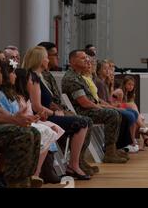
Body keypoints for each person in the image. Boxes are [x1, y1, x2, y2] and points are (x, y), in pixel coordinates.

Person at [22, 46, 91, 180]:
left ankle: (74, 163)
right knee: (82, 123)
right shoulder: (33, 78)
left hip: (48, 114)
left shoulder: (39, 77)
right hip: (42, 117)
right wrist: (54, 114)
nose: (48, 60)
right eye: (46, 58)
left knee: (84, 121)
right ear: (40, 60)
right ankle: (73, 165)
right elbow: (37, 106)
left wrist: (57, 111)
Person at [38, 42, 98, 175]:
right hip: (49, 114)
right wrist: (61, 111)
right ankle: (75, 163)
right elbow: (47, 103)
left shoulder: (47, 74)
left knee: (85, 121)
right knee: (84, 121)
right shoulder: (40, 76)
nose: (57, 57)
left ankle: (77, 161)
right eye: (54, 55)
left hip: (56, 111)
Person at [61, 50, 128, 163]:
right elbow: (84, 102)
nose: (87, 60)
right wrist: (100, 108)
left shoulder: (78, 76)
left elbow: (90, 99)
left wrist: (102, 106)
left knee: (115, 113)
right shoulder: (71, 78)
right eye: (83, 58)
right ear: (72, 61)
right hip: (82, 111)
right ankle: (109, 153)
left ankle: (111, 149)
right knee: (112, 114)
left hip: (87, 108)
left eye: (87, 58)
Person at [0, 57, 41, 188]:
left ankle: (26, 176)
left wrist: (18, 118)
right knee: (23, 135)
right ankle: (14, 180)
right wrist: (15, 120)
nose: (2, 74)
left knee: (34, 132)